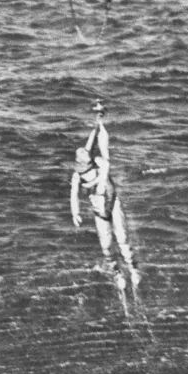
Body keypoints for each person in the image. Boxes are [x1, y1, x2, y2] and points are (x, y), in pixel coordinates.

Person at [70, 109, 139, 291]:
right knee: (106, 246)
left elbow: (95, 141)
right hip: (99, 212)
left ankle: (133, 268)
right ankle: (117, 272)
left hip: (112, 202)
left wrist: (98, 121)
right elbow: (73, 194)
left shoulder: (99, 163)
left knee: (123, 239)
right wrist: (75, 213)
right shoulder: (78, 176)